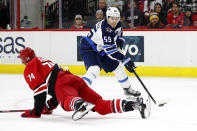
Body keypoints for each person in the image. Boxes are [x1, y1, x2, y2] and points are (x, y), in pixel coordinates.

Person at [18, 47, 150, 120]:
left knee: (67, 102)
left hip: (61, 83)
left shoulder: (30, 66)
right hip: (73, 80)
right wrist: (49, 106)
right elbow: (55, 92)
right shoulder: (41, 60)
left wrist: (36, 111)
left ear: (25, 59)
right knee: (100, 105)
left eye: (22, 59)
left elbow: (40, 91)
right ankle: (135, 105)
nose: (21, 61)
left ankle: (80, 105)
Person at [79, 7, 141, 99]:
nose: (114, 21)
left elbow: (119, 37)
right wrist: (125, 59)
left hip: (100, 48)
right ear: (107, 17)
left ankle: (127, 89)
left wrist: (119, 45)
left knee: (118, 67)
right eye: (112, 18)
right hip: (89, 47)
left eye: (116, 18)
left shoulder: (118, 24)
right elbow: (110, 51)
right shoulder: (105, 29)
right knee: (94, 69)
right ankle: (78, 91)